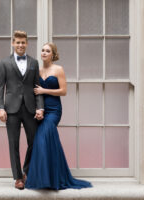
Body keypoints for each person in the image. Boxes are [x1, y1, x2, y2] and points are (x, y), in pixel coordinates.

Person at [25, 42, 93, 190]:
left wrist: (44, 90)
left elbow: (63, 91)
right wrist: (38, 109)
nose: (43, 53)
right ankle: (45, 178)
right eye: (42, 50)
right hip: (41, 110)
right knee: (42, 141)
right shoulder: (37, 70)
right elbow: (34, 93)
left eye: (47, 51)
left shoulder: (58, 69)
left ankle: (52, 179)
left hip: (54, 110)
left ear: (53, 54)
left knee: (43, 137)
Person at [0, 30, 44, 190]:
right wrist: (0, 108)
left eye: (23, 42)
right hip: (11, 109)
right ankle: (18, 178)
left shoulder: (34, 63)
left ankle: (26, 170)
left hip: (30, 109)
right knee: (13, 143)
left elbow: (37, 87)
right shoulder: (4, 63)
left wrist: (40, 107)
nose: (21, 45)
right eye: (18, 42)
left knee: (34, 142)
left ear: (27, 44)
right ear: (13, 43)